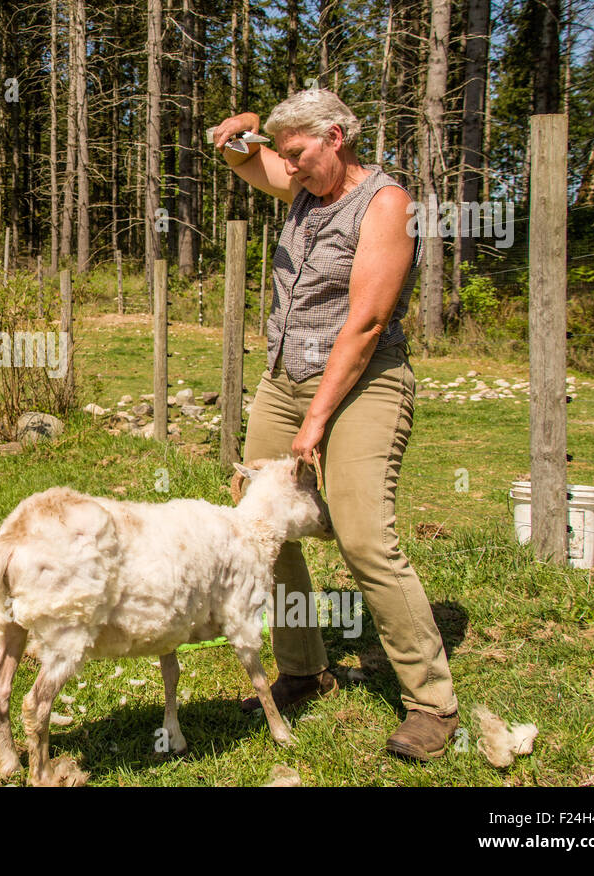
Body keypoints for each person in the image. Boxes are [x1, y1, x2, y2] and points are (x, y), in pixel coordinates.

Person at [210, 88, 459, 761]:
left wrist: (316, 421)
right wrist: (240, 133)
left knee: (362, 535)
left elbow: (368, 322)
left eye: (298, 155)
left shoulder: (386, 205)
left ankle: (432, 703)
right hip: (284, 379)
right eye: (284, 156)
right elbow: (242, 161)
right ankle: (303, 668)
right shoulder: (301, 184)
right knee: (260, 521)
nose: (286, 168)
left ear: (336, 138)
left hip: (363, 383)